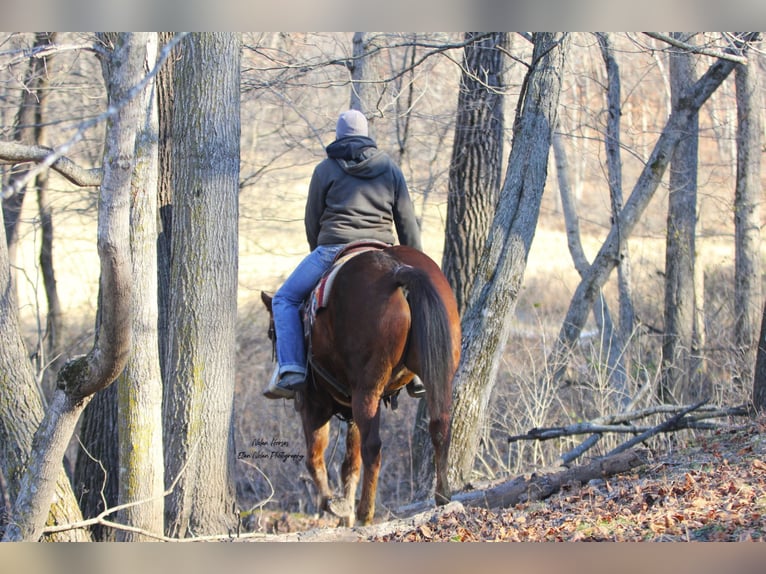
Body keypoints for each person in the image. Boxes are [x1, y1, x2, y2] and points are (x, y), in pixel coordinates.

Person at [264, 109, 425, 400]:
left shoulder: (325, 169)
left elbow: (312, 219)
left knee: (285, 299)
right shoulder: (389, 168)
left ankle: (291, 368)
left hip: (335, 248)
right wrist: (414, 258)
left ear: (338, 135)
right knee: (419, 298)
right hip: (384, 249)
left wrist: (320, 252)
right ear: (366, 135)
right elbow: (406, 221)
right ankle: (417, 366)